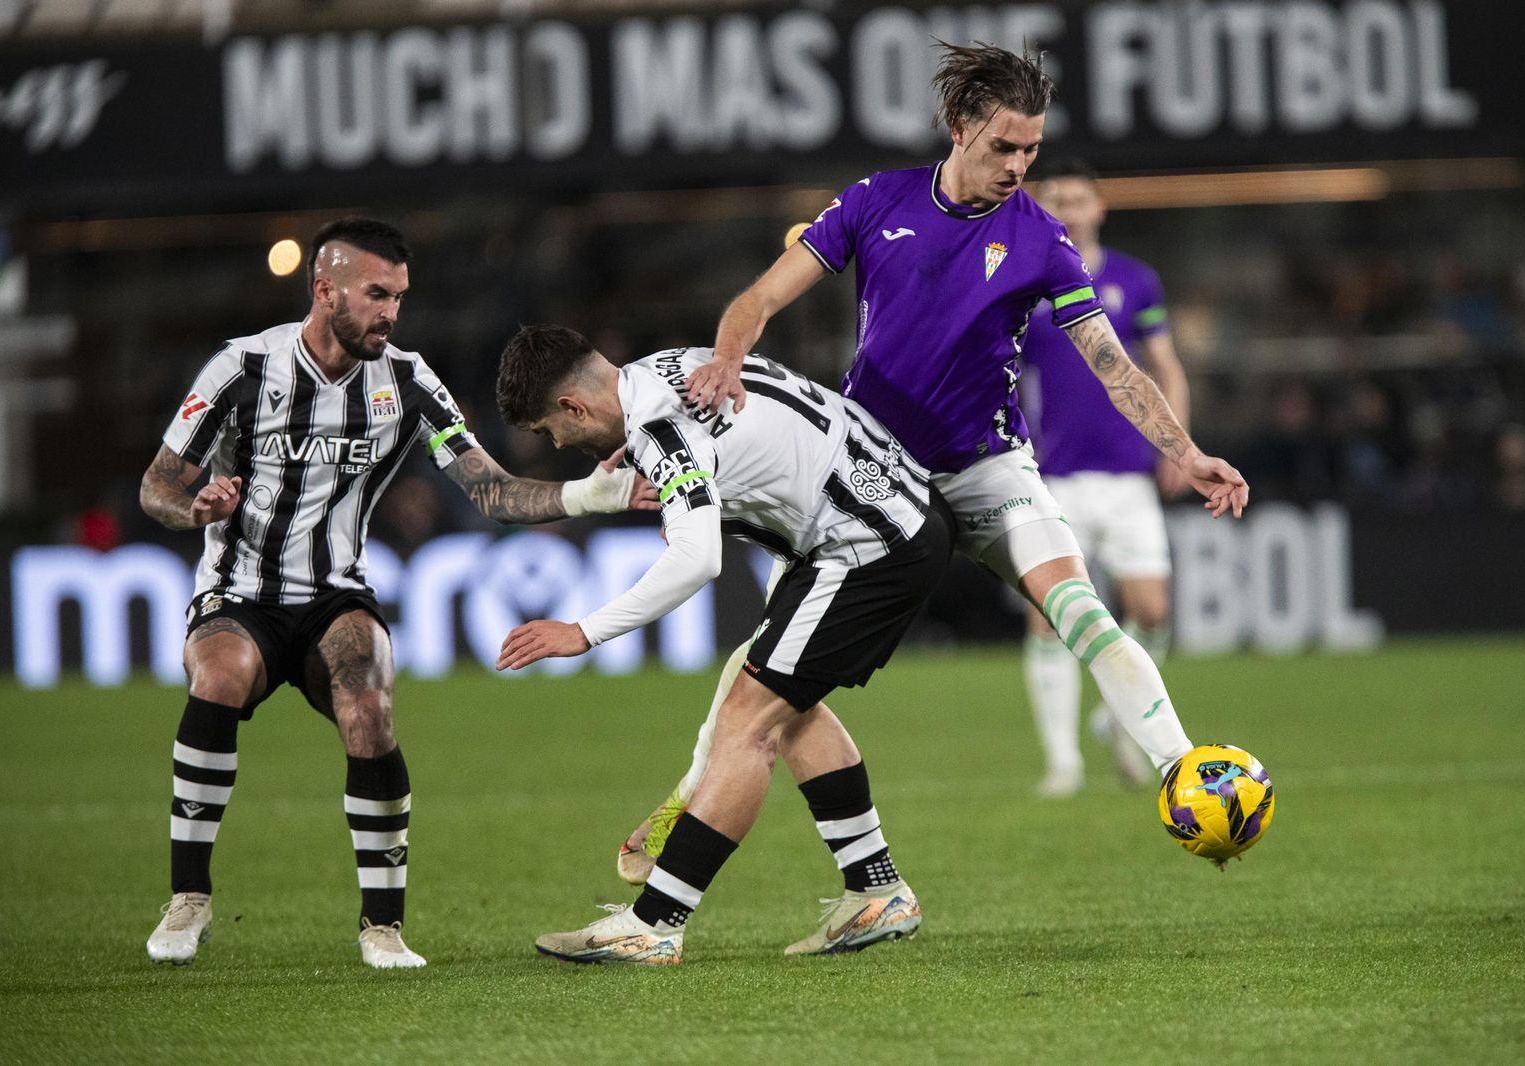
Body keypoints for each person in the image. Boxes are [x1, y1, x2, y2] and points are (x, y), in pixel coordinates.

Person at [615, 41, 1249, 882]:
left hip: (987, 469)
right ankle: (712, 805)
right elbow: (762, 297)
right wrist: (727, 357)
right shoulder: (876, 202)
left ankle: (1183, 772)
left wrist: (1187, 450)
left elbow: (1112, 363)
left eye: (1032, 149)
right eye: (1003, 147)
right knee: (767, 668)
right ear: (958, 128)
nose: (1020, 166)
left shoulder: (1043, 241)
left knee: (1082, 612)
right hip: (862, 478)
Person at [139, 218, 648, 968]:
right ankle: (188, 900)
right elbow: (158, 485)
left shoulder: (406, 380)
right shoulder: (241, 368)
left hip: (335, 593)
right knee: (218, 676)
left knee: (370, 706)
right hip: (238, 591)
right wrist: (195, 509)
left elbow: (492, 491)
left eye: (400, 297)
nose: (391, 312)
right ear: (325, 290)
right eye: (377, 294)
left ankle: (383, 928)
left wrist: (593, 497)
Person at [494, 325, 951, 964]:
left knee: (748, 724)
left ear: (573, 406)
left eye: (550, 430)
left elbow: (696, 559)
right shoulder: (665, 365)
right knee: (785, 710)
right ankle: (875, 889)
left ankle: (655, 924)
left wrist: (583, 631)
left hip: (866, 545)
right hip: (886, 509)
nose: (560, 444)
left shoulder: (657, 430)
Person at [1019, 160, 1192, 797]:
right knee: (1049, 618)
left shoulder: (1135, 281)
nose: (1067, 209)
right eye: (1054, 200)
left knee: (1151, 610)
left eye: (1077, 200)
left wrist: (1178, 444)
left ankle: (1122, 717)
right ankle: (1062, 764)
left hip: (1128, 477)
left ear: (1100, 207)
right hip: (1054, 479)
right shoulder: (1027, 282)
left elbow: (1166, 368)